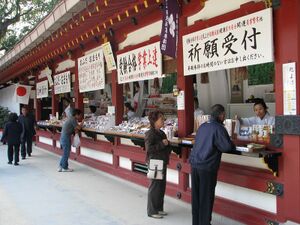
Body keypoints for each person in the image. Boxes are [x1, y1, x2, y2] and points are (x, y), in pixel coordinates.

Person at [189, 104, 235, 225]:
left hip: (195, 164)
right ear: (221, 115)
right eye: (223, 114)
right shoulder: (219, 128)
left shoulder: (203, 126)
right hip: (207, 167)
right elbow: (226, 147)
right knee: (206, 198)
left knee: (197, 197)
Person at [145, 110, 171, 219]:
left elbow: (166, 146)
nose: (163, 120)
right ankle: (152, 210)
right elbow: (149, 149)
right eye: (161, 119)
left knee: (161, 186)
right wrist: (162, 144)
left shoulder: (161, 132)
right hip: (155, 162)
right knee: (155, 187)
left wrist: (168, 144)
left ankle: (159, 208)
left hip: (162, 160)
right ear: (154, 121)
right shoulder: (150, 133)